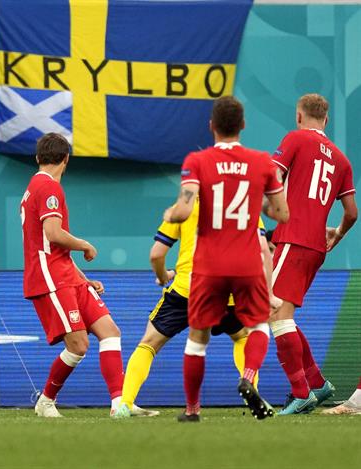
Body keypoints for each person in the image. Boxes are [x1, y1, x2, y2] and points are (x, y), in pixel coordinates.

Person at [164, 96, 289, 422]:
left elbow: (185, 209)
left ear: (211, 126)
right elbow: (282, 213)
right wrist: (257, 206)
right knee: (258, 324)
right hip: (247, 262)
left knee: (198, 337)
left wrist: (170, 212)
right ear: (243, 126)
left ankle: (192, 410)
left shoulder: (197, 161)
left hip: (208, 265)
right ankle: (248, 377)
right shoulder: (262, 162)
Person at [114, 203, 271, 418]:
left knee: (149, 343)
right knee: (242, 336)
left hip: (188, 288)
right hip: (229, 291)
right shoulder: (244, 202)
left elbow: (156, 255)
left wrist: (162, 276)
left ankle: (125, 403)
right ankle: (252, 388)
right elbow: (261, 249)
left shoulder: (184, 206)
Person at [20, 133, 127, 418]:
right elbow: (54, 234)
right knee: (79, 345)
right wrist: (85, 245)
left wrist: (83, 277)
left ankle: (119, 405)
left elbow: (52, 246)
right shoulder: (49, 188)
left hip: (66, 273)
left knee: (110, 332)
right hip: (50, 278)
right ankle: (45, 401)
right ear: (66, 159)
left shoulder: (35, 186)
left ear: (37, 157)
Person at [268, 94, 357, 415]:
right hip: (317, 247)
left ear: (299, 116)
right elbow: (351, 212)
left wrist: (267, 207)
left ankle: (301, 391)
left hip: (292, 238)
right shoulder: (341, 160)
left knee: (274, 312)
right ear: (327, 120)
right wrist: (338, 233)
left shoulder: (295, 138)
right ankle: (316, 383)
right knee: (284, 315)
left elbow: (272, 176)